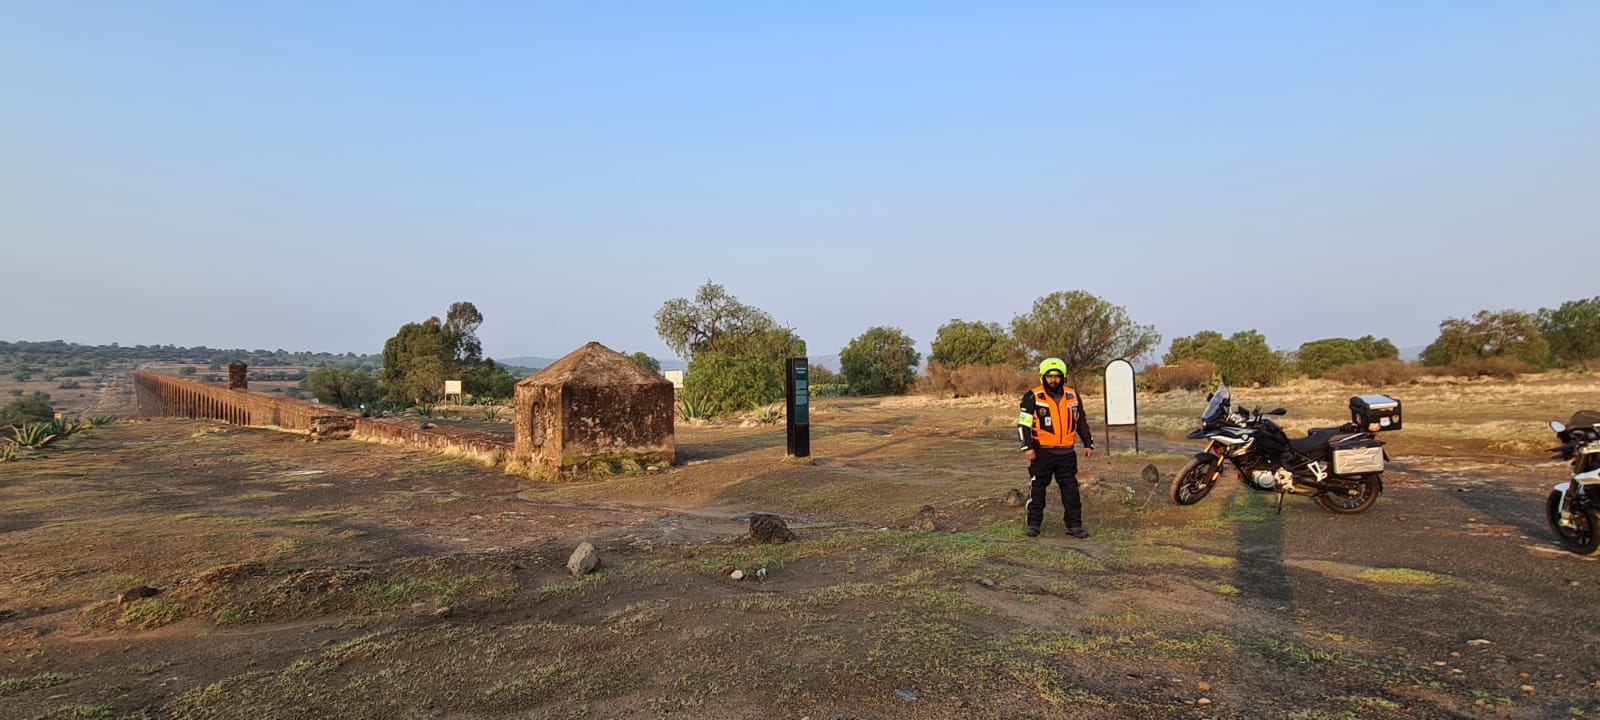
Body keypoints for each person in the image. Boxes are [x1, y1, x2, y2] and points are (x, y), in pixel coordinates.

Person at [1017, 357, 1095, 538]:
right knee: (1037, 491)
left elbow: (1080, 421)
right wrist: (1027, 447)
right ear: (1043, 377)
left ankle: (1074, 525)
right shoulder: (1032, 396)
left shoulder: (1073, 396)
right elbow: (1024, 424)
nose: (1053, 380)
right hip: (1042, 452)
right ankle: (1034, 524)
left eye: (1057, 376)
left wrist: (1088, 442)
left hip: (1067, 454)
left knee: (1071, 492)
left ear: (1063, 377)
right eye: (1049, 376)